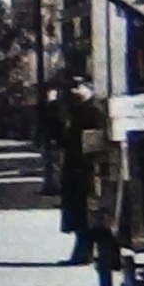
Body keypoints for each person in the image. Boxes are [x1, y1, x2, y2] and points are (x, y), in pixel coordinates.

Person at [59, 75, 109, 265]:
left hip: (87, 169)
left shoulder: (94, 110)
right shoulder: (76, 109)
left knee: (87, 212)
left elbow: (94, 142)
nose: (73, 91)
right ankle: (83, 250)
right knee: (78, 212)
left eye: (78, 86)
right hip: (75, 168)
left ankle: (85, 252)